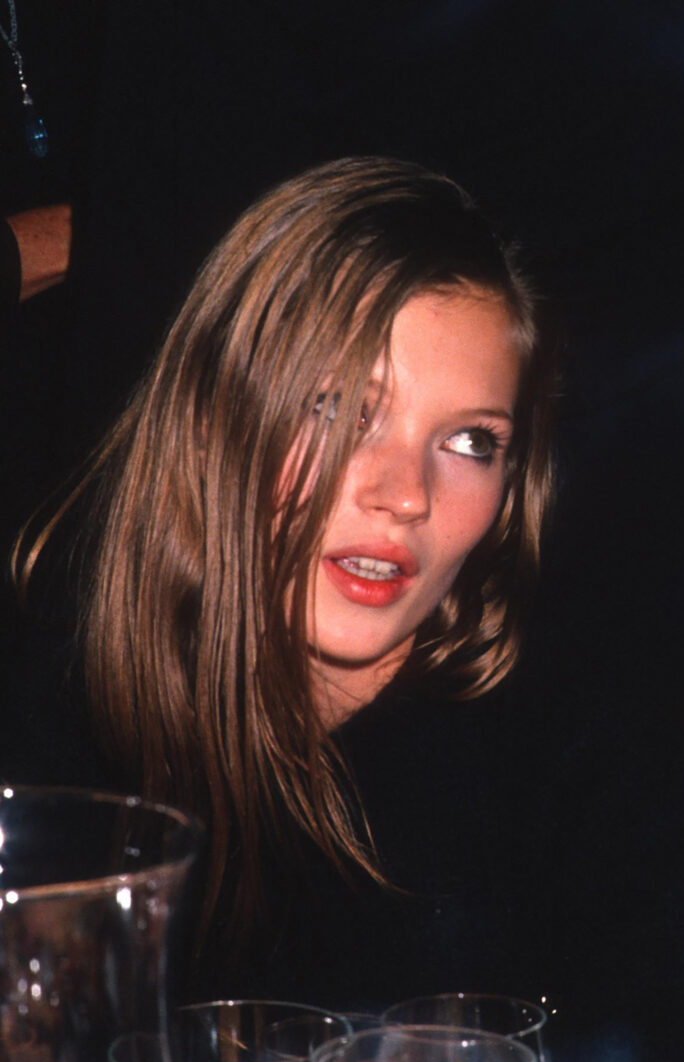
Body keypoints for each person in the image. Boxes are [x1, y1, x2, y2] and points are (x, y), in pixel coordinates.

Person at [15, 154, 555, 963]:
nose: (406, 495)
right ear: (210, 421)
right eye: (339, 409)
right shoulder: (55, 745)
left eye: (471, 441)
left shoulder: (565, 767)